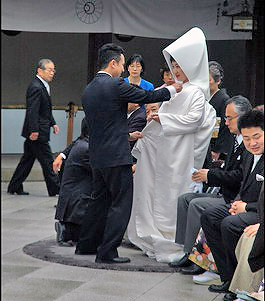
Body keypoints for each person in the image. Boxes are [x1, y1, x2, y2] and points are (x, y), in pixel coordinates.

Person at [75, 43, 182, 264]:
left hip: (97, 155)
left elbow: (106, 118)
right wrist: (174, 88)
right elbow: (148, 95)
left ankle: (85, 245)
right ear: (113, 63)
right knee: (121, 203)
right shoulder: (115, 85)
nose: (124, 70)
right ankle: (107, 252)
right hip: (116, 155)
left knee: (99, 200)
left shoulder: (89, 88)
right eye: (123, 64)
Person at [127, 27, 216, 263]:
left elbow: (193, 121)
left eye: (179, 66)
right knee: (156, 191)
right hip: (166, 150)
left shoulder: (195, 92)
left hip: (180, 155)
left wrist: (163, 118)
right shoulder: (178, 90)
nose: (176, 71)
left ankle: (172, 236)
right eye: (174, 67)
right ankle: (154, 230)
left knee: (172, 193)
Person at [169, 95, 251, 273]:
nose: (226, 123)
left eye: (230, 118)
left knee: (196, 204)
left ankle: (197, 259)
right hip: (225, 192)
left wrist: (210, 175)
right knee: (184, 199)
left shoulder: (248, 142)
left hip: (235, 197)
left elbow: (239, 176)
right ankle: (186, 250)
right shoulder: (234, 140)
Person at [201, 109, 264, 295]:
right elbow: (243, 183)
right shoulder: (247, 153)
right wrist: (237, 204)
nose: (252, 143)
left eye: (257, 136)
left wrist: (246, 207)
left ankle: (238, 283)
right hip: (245, 205)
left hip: (259, 211)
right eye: (246, 138)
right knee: (210, 216)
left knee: (230, 224)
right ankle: (226, 276)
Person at [7, 59, 60, 196]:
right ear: (40, 70)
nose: (52, 73)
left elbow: (45, 109)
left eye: (53, 70)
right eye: (50, 70)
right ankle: (55, 188)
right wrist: (34, 130)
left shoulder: (43, 85)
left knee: (27, 160)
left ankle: (14, 186)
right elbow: (33, 110)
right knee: (48, 160)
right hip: (37, 132)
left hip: (39, 129)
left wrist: (53, 122)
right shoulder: (36, 87)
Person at [54, 118, 92, 246]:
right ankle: (65, 230)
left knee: (81, 234)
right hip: (78, 198)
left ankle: (66, 229)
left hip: (73, 196)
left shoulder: (81, 143)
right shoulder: (87, 147)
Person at [204, 61, 231, 168]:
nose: (205, 83)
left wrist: (217, 150)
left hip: (214, 142)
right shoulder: (202, 97)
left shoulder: (224, 99)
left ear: (218, 81)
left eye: (209, 80)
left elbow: (225, 126)